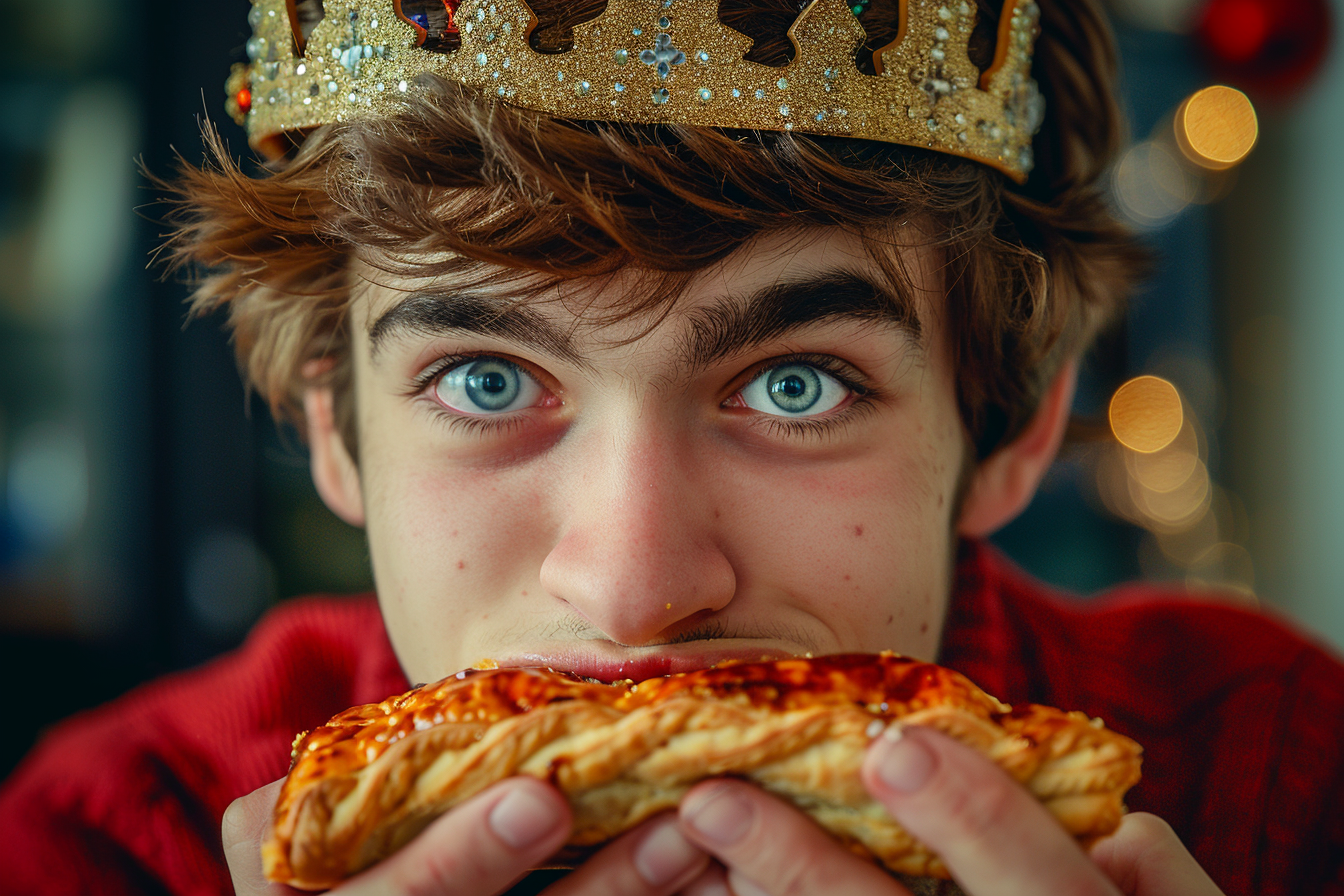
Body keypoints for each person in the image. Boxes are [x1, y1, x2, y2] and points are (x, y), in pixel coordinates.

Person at [1, 0, 1342, 893]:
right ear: (328, 428)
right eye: (483, 377)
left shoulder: (1282, 778)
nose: (637, 593)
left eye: (799, 386)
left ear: (1012, 425)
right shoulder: (113, 839)